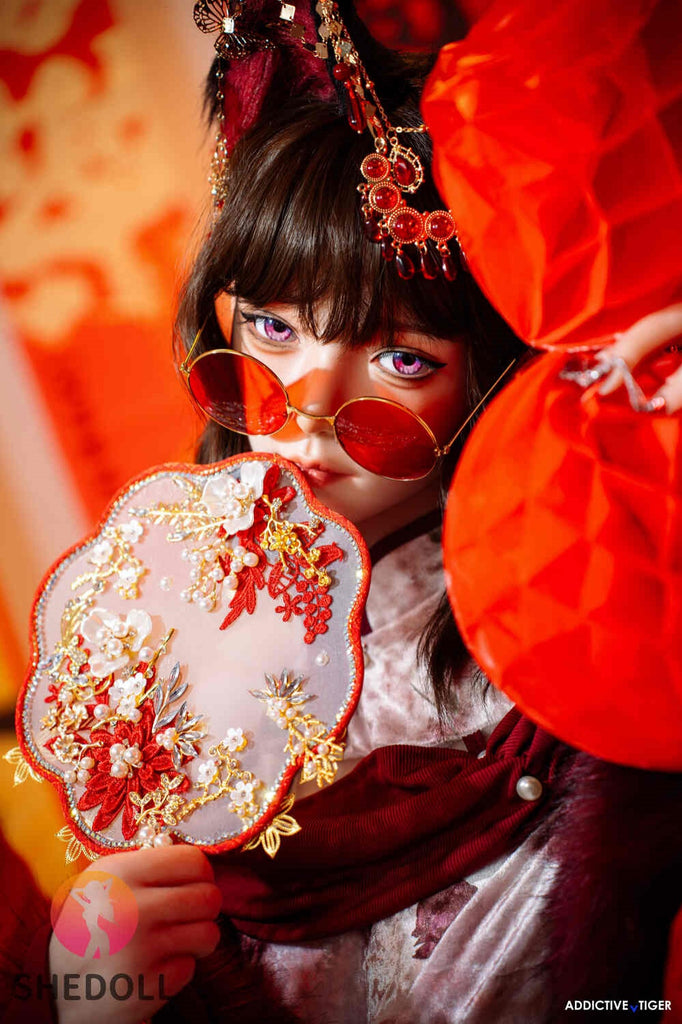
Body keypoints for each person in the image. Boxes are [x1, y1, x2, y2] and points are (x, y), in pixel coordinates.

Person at [14, 4, 682, 1024]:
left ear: (493, 378)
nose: (310, 404)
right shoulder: (147, 626)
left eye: (402, 356)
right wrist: (98, 997)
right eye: (273, 326)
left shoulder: (592, 641)